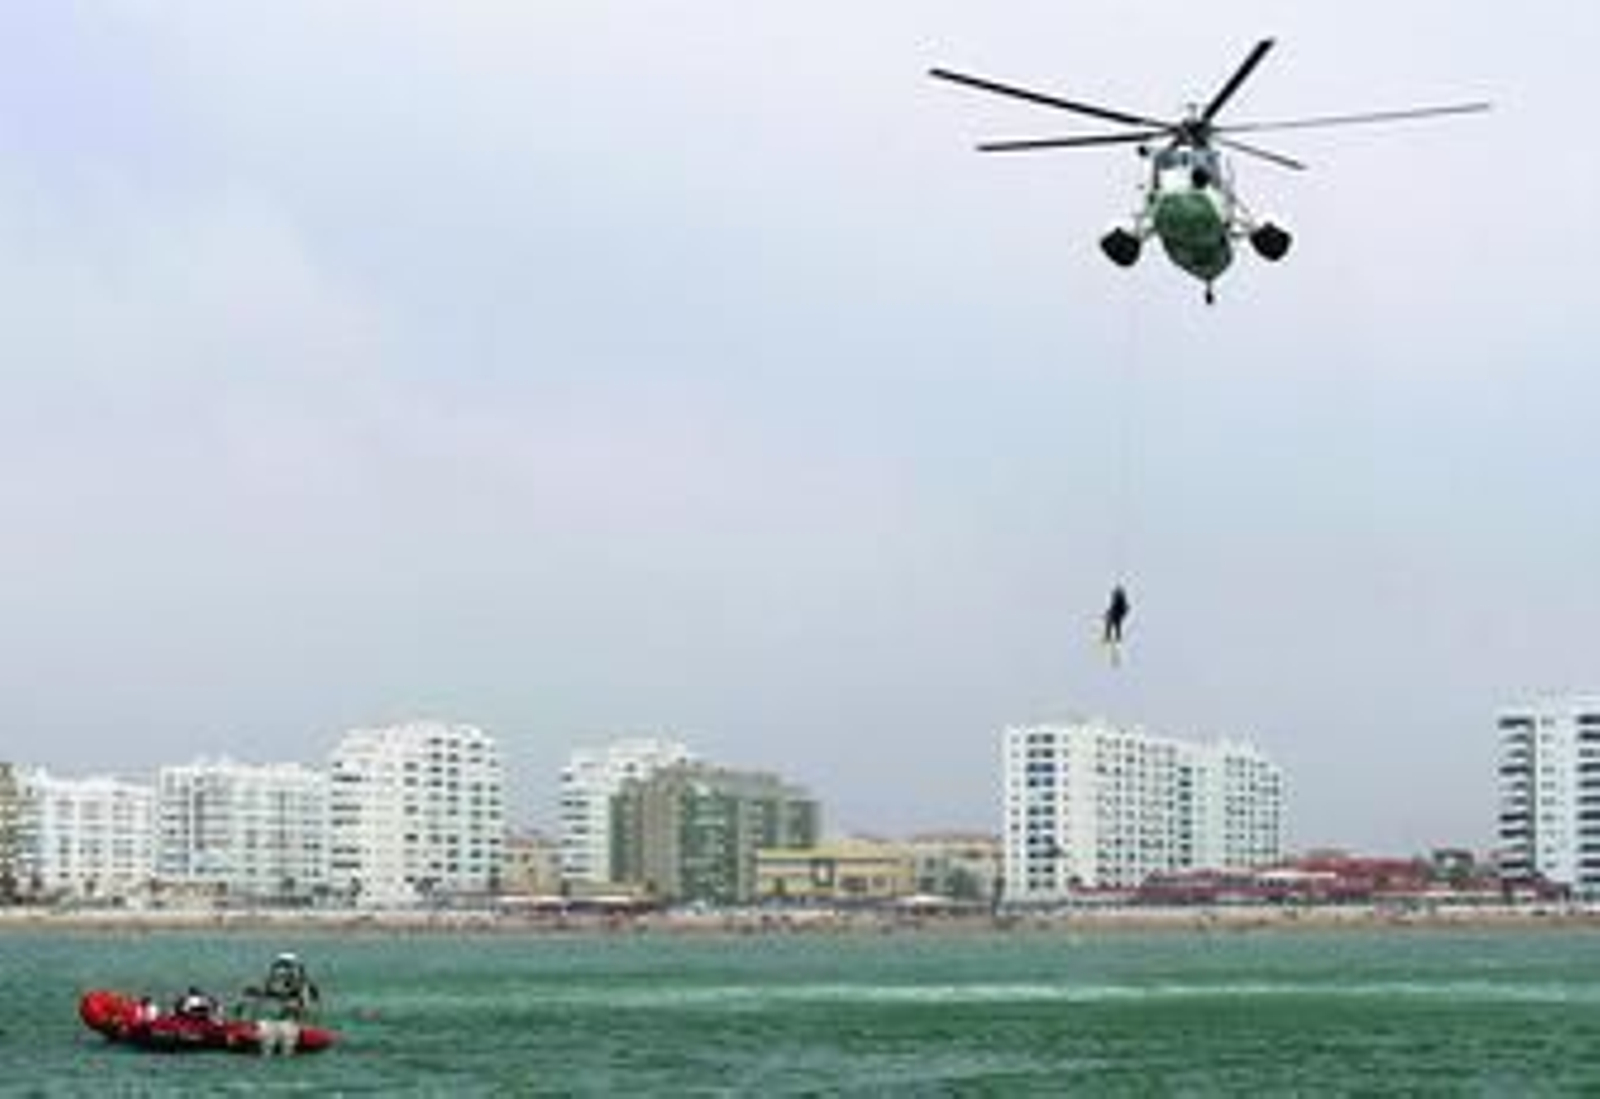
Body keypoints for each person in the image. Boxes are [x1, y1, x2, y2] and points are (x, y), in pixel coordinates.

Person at [247, 952, 320, 1020]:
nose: (282, 970)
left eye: (285, 966)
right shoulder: (275, 977)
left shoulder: (302, 982)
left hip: (296, 1000)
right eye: (280, 966)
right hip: (282, 998)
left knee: (296, 1006)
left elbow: (304, 997)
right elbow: (269, 989)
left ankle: (297, 1023)